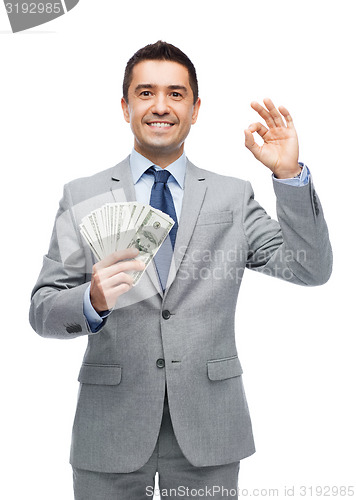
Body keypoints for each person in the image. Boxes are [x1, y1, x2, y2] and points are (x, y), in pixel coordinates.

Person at [29, 40, 332, 499]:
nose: (160, 106)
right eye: (146, 92)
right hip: (109, 427)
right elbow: (42, 310)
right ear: (126, 105)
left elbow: (310, 269)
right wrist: (90, 300)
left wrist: (289, 177)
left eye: (176, 93)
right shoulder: (82, 196)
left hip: (209, 426)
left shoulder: (232, 196)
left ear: (195, 108)